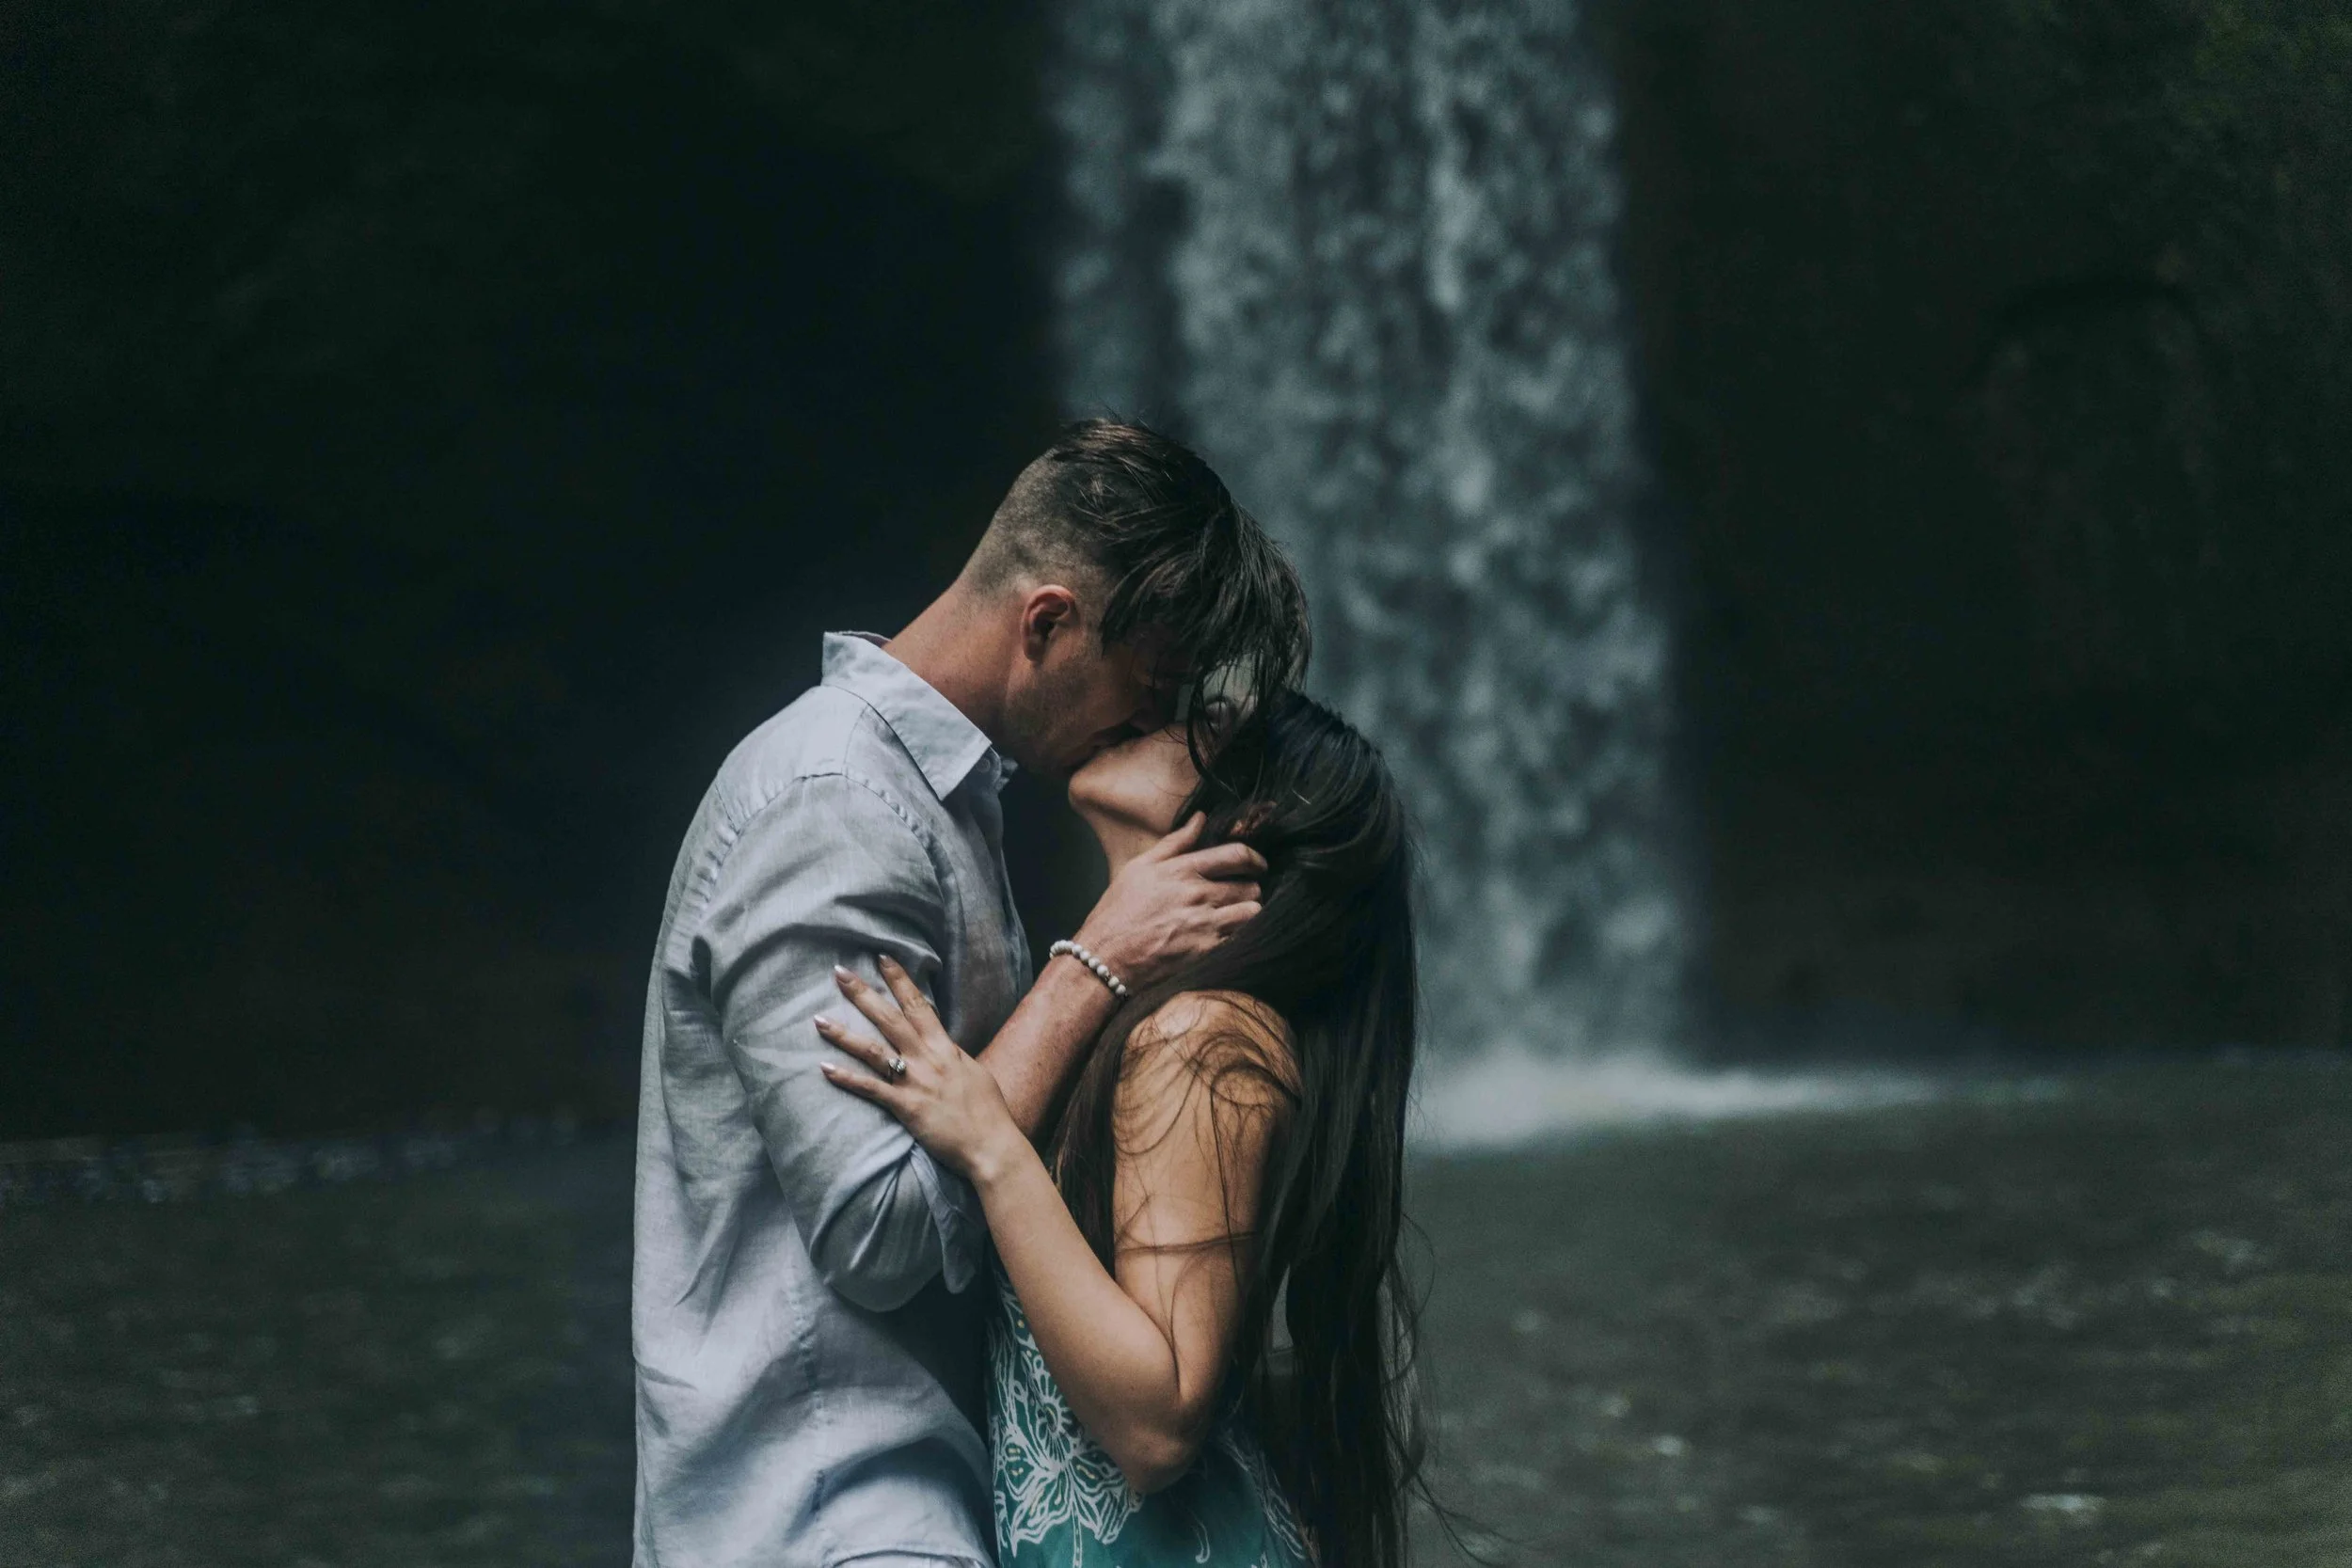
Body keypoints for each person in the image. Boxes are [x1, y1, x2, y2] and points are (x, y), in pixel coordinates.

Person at [631, 420, 1310, 1567]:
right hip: (833, 1513)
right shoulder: (832, 806)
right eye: (1144, 691)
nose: (1148, 726)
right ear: (1046, 621)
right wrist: (1095, 960)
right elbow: (880, 1231)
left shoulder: (940, 799)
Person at [820, 690, 1423, 1568]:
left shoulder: (1204, 1039)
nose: (1142, 707)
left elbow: (1158, 1422)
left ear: (1248, 813)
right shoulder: (1155, 1022)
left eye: (1195, 719)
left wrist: (991, 1143)